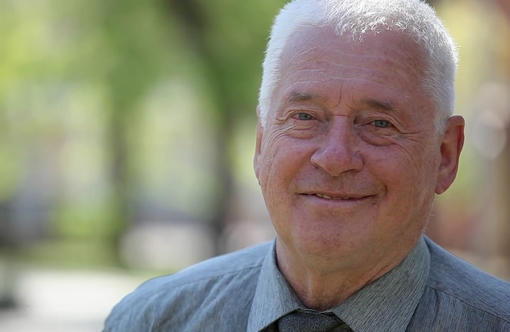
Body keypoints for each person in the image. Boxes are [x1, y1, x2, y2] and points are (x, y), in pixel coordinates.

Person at [103, 0, 510, 330]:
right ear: (262, 145)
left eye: (379, 124)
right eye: (303, 117)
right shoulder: (152, 321)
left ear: (445, 156)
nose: (334, 158)